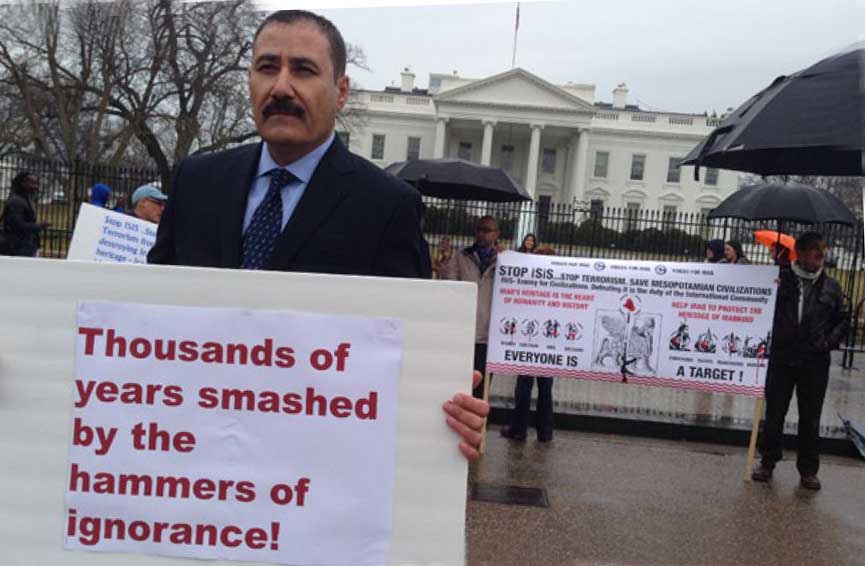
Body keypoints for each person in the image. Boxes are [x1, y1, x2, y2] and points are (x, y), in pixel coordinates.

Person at [147, 10, 487, 460]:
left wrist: (444, 413)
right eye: (267, 67)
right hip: (191, 447)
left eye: (303, 70)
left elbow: (404, 348)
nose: (280, 87)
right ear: (249, 80)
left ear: (341, 91)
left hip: (310, 461)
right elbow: (150, 314)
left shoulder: (387, 206)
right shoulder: (196, 182)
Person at [752, 232, 849, 490]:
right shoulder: (781, 280)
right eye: (815, 254)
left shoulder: (831, 286)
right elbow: (761, 309)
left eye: (822, 255)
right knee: (775, 414)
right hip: (782, 358)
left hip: (814, 362)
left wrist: (828, 342)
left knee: (810, 418)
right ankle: (767, 461)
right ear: (801, 254)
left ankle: (808, 470)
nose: (820, 260)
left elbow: (842, 319)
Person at [501, 233, 555, 442]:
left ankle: (519, 429)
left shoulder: (529, 279)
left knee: (524, 386)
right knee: (545, 389)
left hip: (529, 340)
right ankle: (545, 431)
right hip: (549, 342)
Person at [439, 215, 499, 399]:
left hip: (488, 334)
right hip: (464, 331)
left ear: (496, 234)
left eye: (486, 230)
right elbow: (449, 285)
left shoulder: (503, 261)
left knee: (481, 388)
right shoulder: (462, 256)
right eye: (478, 229)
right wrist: (445, 261)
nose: (481, 234)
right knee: (459, 384)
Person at [1, 172, 50, 257]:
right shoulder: (16, 202)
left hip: (25, 246)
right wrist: (40, 226)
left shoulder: (25, 199)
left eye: (36, 183)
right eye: (32, 183)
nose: (36, 186)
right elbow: (17, 225)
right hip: (17, 248)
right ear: (22, 183)